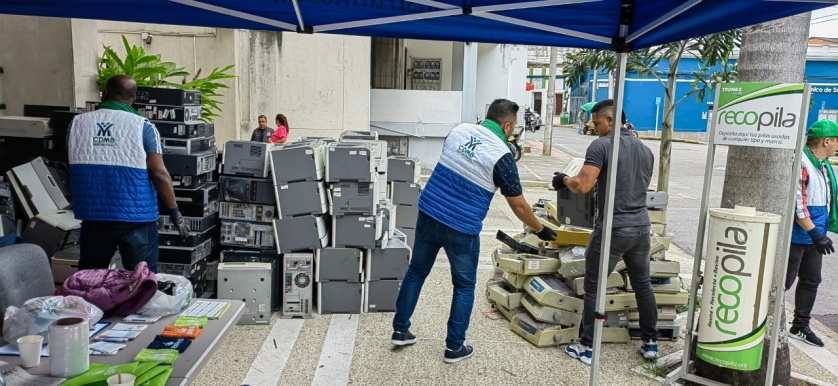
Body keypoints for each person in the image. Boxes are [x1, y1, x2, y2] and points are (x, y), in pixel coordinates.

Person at [391, 98, 557, 364]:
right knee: (465, 285)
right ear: (506, 125)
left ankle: (400, 330)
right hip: (461, 226)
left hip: (428, 212)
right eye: (513, 128)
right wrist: (540, 230)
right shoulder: (503, 157)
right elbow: (519, 206)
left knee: (416, 271)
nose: (513, 133)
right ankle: (454, 347)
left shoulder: (459, 130)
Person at [552, 99, 659, 364]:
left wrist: (563, 180)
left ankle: (586, 347)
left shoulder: (601, 145)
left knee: (594, 287)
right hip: (641, 228)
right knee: (643, 285)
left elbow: (584, 184)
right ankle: (651, 344)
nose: (595, 128)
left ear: (610, 120)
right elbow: (642, 185)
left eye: (597, 123)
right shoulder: (646, 150)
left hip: (613, 228)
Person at [67, 74, 189, 273]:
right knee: (142, 282)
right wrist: (175, 213)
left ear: (105, 93)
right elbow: (159, 174)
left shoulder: (76, 125)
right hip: (136, 219)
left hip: (94, 217)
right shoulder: (144, 126)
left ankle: (89, 305)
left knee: (89, 279)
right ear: (134, 98)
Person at [786, 119, 838, 347]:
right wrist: (816, 234)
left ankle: (800, 325)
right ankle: (764, 324)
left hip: (814, 234)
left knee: (811, 280)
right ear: (827, 141)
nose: (837, 145)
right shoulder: (803, 162)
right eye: (836, 141)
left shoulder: (823, 163)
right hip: (798, 236)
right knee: (784, 282)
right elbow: (798, 205)